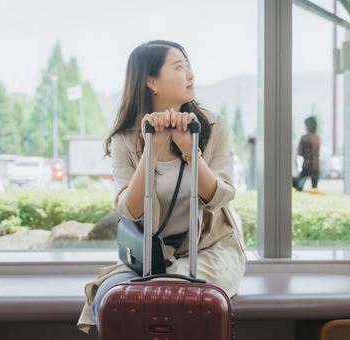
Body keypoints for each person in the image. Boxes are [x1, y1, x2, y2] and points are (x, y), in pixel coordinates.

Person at [76, 40, 247, 334]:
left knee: (168, 293)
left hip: (211, 248)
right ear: (151, 81)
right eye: (179, 67)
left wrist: (190, 150)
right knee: (115, 298)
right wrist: (151, 149)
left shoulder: (214, 127)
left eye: (189, 66)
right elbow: (130, 209)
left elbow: (221, 196)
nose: (190, 75)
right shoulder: (126, 140)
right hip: (153, 256)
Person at [293, 116, 320, 191]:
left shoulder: (304, 138)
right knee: (314, 188)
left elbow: (300, 152)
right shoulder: (317, 138)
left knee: (299, 187)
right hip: (315, 166)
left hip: (307, 166)